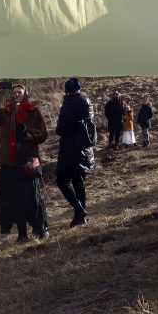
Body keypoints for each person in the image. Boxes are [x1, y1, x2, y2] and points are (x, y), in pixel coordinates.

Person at [0, 83, 50, 242]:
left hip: (28, 160)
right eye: (14, 92)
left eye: (20, 91)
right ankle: (22, 234)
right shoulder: (6, 112)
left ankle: (41, 228)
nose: (17, 94)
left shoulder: (33, 111)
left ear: (25, 93)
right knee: (14, 199)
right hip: (9, 161)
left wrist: (27, 133)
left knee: (33, 197)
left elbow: (43, 135)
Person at [55, 77, 95, 226]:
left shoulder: (68, 105)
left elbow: (60, 130)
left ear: (67, 91)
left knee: (62, 180)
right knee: (79, 181)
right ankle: (81, 217)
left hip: (69, 149)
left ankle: (79, 210)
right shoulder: (88, 101)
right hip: (85, 148)